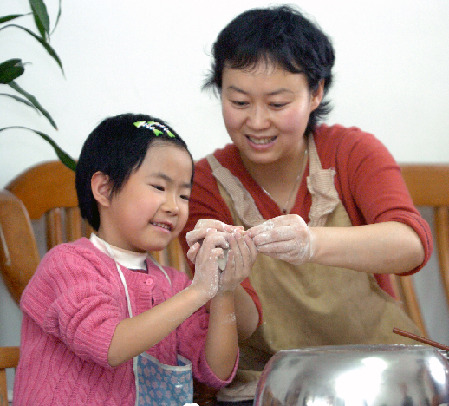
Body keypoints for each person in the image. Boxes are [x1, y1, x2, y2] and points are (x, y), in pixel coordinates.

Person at [179, 5, 433, 405]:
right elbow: (239, 327)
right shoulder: (204, 185)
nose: (257, 122)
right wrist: (221, 282)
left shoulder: (352, 152)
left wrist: (310, 243)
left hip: (377, 373)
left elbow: (411, 245)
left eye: (278, 104)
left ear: (316, 93)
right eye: (239, 102)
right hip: (267, 387)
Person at [13, 113, 258, 405]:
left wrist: (223, 290)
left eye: (183, 195)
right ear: (104, 189)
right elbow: (109, 346)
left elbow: (215, 371)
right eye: (159, 187)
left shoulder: (174, 283)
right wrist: (199, 291)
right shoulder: (67, 264)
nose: (174, 207)